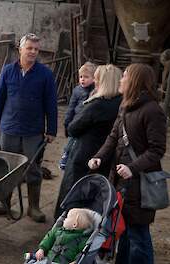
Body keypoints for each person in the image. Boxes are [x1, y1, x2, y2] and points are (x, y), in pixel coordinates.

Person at [88, 63, 167, 264]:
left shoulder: (153, 111)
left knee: (138, 235)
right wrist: (99, 156)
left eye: (125, 76)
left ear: (135, 81)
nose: (121, 79)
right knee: (123, 230)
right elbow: (114, 136)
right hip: (121, 181)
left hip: (140, 184)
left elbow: (157, 150)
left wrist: (132, 167)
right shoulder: (125, 105)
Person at [0, 33, 57, 222]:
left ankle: (33, 207)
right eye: (29, 48)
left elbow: (51, 103)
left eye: (36, 49)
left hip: (32, 130)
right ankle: (4, 202)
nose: (33, 52)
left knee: (33, 168)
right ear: (20, 49)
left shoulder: (45, 74)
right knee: (7, 166)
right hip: (8, 127)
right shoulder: (8, 71)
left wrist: (51, 129)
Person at [54, 64, 122, 219]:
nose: (95, 82)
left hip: (84, 154)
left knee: (74, 193)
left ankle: (66, 224)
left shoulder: (96, 105)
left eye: (97, 79)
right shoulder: (120, 104)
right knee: (96, 194)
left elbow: (73, 128)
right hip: (106, 155)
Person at [59, 62, 97, 170]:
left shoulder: (96, 91)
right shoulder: (77, 91)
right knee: (72, 141)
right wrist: (67, 123)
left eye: (86, 77)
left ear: (94, 78)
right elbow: (70, 108)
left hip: (88, 123)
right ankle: (66, 156)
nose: (82, 79)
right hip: (76, 121)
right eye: (81, 77)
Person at [25, 208, 93, 264]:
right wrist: (42, 249)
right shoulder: (58, 231)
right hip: (48, 259)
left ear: (74, 224)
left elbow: (81, 254)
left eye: (67, 218)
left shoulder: (82, 239)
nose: (64, 219)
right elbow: (48, 239)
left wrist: (75, 262)